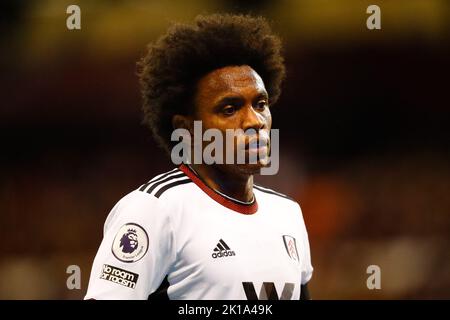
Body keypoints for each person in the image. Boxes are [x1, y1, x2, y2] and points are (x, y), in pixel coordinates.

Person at [85, 13, 313, 300]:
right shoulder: (154, 210)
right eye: (230, 109)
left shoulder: (288, 213)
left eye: (260, 103)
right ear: (186, 129)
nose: (254, 121)